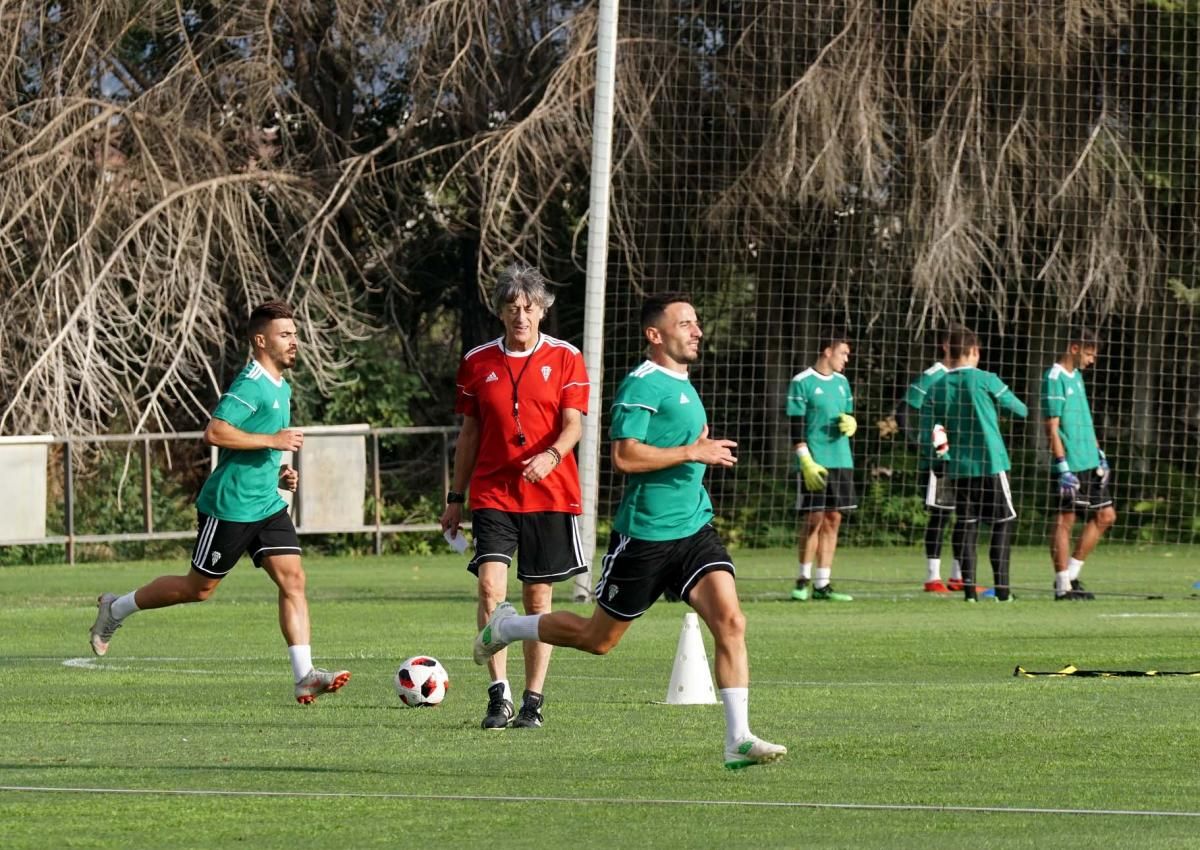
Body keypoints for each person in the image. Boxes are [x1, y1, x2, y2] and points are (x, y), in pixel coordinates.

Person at [472, 292, 786, 769]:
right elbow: (625, 457)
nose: (697, 330)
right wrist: (691, 453)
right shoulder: (642, 384)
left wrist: (696, 450)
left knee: (731, 621)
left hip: (694, 529)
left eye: (697, 322)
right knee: (598, 640)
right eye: (686, 323)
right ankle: (509, 626)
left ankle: (737, 738)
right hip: (644, 536)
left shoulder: (681, 382)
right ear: (655, 335)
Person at [89, 300, 350, 704]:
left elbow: (257, 443)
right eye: (285, 335)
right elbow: (215, 432)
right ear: (260, 341)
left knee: (293, 579)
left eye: (295, 334)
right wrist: (274, 442)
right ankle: (116, 608)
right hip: (229, 505)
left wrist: (278, 469)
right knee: (199, 589)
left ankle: (304, 676)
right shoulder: (250, 384)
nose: (294, 342)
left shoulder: (282, 385)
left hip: (265, 503)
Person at [440, 263, 590, 730]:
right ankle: (498, 695)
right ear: (501, 313)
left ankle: (533, 699)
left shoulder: (566, 357)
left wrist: (552, 456)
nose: (520, 316)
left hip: (548, 493)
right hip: (493, 492)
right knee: (490, 589)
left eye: (528, 308)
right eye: (511, 308)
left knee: (537, 598)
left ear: (542, 310)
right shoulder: (478, 361)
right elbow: (469, 434)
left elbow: (573, 425)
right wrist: (454, 495)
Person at [921, 328, 1028, 602]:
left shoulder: (937, 387)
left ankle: (969, 592)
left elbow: (936, 429)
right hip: (991, 462)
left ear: (950, 352)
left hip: (959, 467)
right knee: (1002, 523)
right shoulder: (986, 379)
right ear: (974, 351)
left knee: (967, 524)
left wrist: (941, 457)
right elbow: (1020, 409)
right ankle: (1003, 592)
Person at [1042, 331, 1116, 600]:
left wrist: (1100, 453)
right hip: (1071, 463)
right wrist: (1062, 465)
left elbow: (1084, 419)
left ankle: (1071, 576)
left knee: (1106, 516)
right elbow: (1051, 426)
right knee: (1066, 520)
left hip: (1090, 461)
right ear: (1074, 348)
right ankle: (1063, 587)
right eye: (1089, 353)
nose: (1092, 360)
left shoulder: (1077, 378)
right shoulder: (1054, 378)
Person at [787, 337, 856, 602]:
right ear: (827, 351)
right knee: (813, 518)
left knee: (833, 519)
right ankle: (803, 579)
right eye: (843, 353)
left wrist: (852, 423)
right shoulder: (802, 381)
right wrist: (805, 459)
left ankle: (823, 583)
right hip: (813, 463)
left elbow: (847, 416)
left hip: (841, 460)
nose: (846, 359)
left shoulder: (842, 383)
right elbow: (796, 426)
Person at [895, 329, 965, 593]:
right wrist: (919, 446)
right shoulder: (931, 376)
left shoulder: (963, 378)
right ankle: (932, 578)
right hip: (938, 460)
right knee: (941, 515)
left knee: (966, 516)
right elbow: (903, 412)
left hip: (965, 461)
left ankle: (960, 577)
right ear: (946, 346)